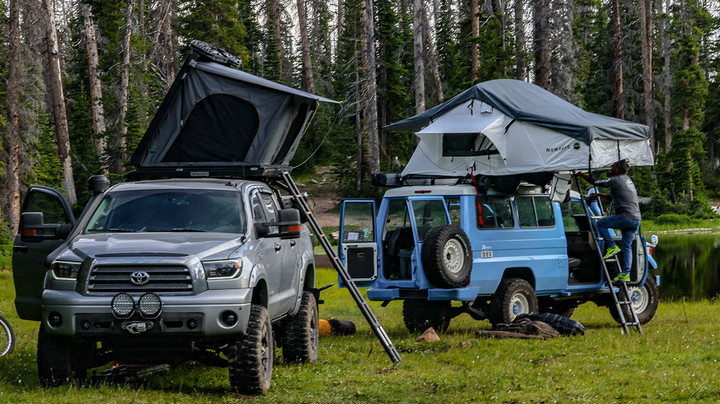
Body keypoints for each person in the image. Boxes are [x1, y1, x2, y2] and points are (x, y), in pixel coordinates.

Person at [578, 159, 641, 282]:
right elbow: (613, 198)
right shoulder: (628, 180)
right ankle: (626, 273)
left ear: (617, 168)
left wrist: (580, 174)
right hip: (636, 219)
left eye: (612, 165)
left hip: (626, 216)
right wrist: (599, 195)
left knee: (601, 223)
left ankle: (611, 246)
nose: (611, 167)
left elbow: (595, 181)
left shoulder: (616, 180)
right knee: (626, 245)